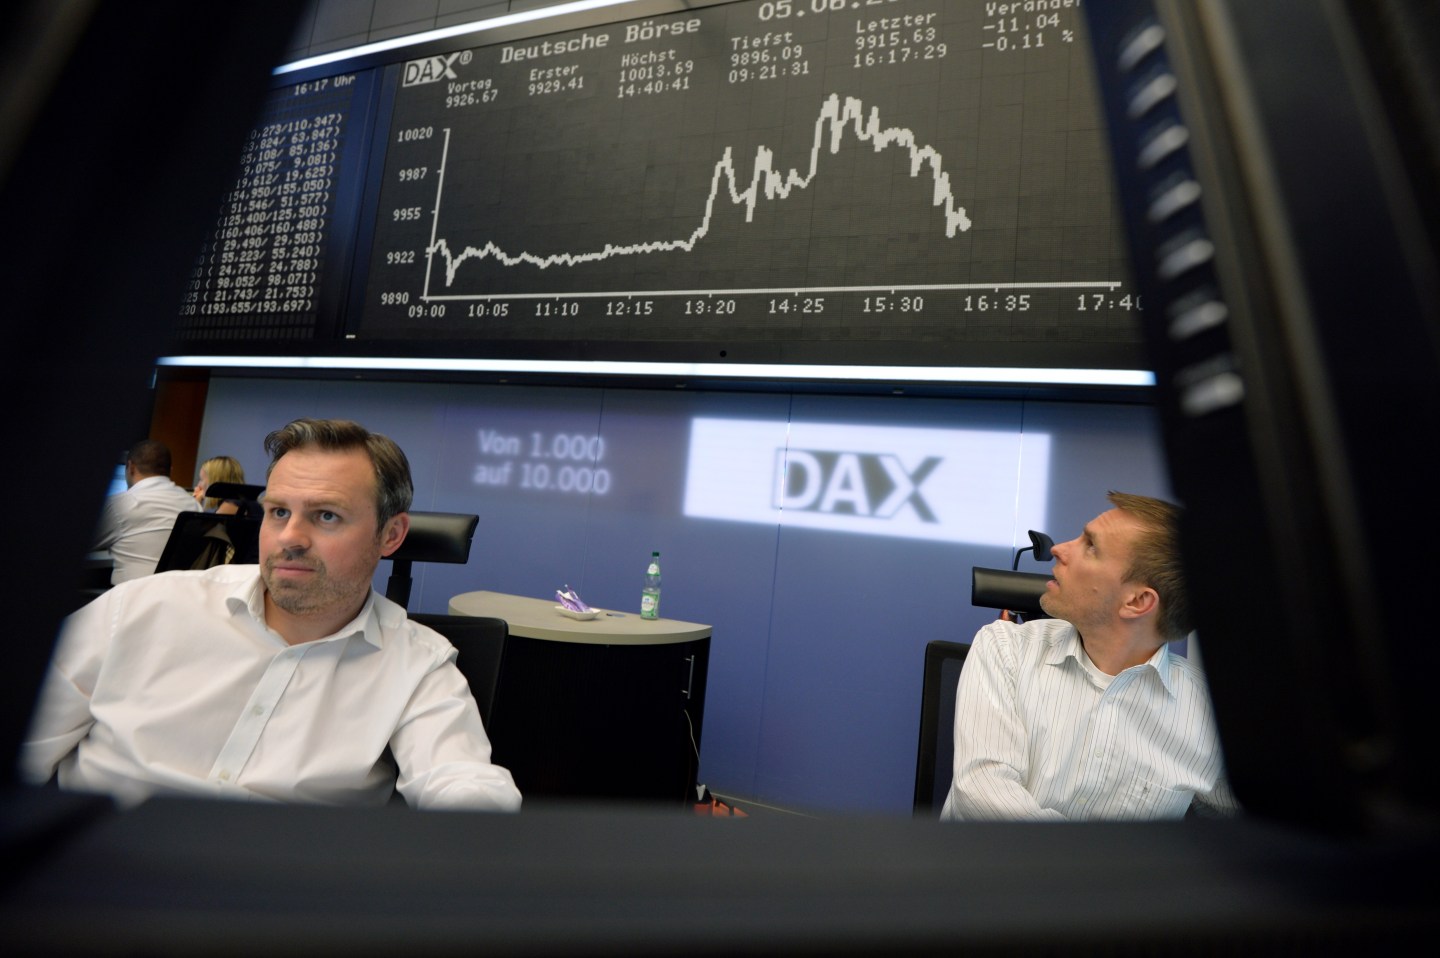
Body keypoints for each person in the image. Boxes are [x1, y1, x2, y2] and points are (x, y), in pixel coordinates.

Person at [24, 418, 521, 812]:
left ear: (390, 535)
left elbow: (462, 783)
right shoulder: (139, 609)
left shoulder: (417, 664)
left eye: (326, 516)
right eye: (278, 512)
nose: (290, 538)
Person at [941, 491, 1237, 821]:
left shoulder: (1206, 712)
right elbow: (982, 792)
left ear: (1137, 602)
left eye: (1091, 546)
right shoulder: (1005, 648)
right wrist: (1101, 856)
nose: (1059, 549)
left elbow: (1255, 828)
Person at [93, 439, 202, 584]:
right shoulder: (194, 505)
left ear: (131, 467)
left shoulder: (119, 505)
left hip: (132, 596)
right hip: (179, 593)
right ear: (170, 471)